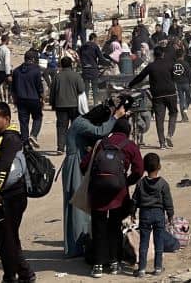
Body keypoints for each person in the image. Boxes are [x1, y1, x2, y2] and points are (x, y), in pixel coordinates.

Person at [62, 101, 126, 258]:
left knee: (82, 204)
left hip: (78, 161)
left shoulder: (81, 121)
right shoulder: (81, 123)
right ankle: (75, 246)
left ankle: (82, 242)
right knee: (76, 204)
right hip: (74, 164)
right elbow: (100, 131)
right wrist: (115, 117)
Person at [82, 118, 143, 278]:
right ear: (128, 132)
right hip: (118, 194)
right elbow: (139, 170)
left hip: (98, 192)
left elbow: (84, 165)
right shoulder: (130, 145)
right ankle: (115, 262)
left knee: (98, 227)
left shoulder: (100, 143)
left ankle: (98, 265)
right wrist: (126, 182)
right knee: (115, 227)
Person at [0, 102, 35, 283]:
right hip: (9, 195)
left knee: (8, 238)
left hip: (11, 196)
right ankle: (18, 274)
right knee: (7, 237)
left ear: (6, 119)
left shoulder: (10, 139)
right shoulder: (3, 137)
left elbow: (3, 167)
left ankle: (17, 275)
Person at [131, 153, 174, 277]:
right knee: (158, 241)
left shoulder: (140, 183)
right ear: (159, 166)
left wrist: (132, 213)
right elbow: (168, 201)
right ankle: (158, 268)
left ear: (144, 167)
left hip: (145, 214)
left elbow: (135, 200)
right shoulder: (163, 184)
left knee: (144, 242)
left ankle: (141, 269)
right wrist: (170, 215)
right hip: (158, 214)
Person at [129, 45, 179, 149]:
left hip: (157, 95)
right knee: (173, 113)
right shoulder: (170, 64)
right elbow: (175, 76)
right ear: (163, 54)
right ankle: (169, 134)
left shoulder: (151, 66)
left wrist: (130, 85)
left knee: (159, 119)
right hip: (170, 93)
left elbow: (140, 77)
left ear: (154, 55)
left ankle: (162, 143)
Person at [51, 56, 87, 154]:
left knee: (61, 127)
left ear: (61, 65)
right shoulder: (76, 76)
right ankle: (74, 146)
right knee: (75, 126)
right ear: (71, 64)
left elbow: (53, 92)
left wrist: (52, 104)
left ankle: (60, 148)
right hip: (74, 105)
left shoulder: (57, 76)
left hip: (60, 105)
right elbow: (81, 89)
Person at [11, 49, 44, 149]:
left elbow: (13, 88)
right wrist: (42, 97)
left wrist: (15, 100)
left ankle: (25, 143)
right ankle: (33, 135)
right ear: (33, 59)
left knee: (23, 122)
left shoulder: (16, 71)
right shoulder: (36, 70)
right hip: (34, 99)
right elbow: (39, 87)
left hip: (21, 100)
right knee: (37, 118)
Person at [79, 33, 104, 104]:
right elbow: (101, 57)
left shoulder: (83, 46)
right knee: (95, 87)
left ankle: (85, 103)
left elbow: (80, 56)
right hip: (93, 69)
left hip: (85, 69)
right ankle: (95, 103)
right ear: (94, 38)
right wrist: (106, 63)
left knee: (86, 88)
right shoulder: (95, 46)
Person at [171, 47, 191, 122]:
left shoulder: (173, 64)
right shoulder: (186, 64)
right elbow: (190, 75)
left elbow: (172, 75)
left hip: (178, 84)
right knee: (188, 99)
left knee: (181, 100)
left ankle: (183, 117)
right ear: (183, 55)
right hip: (186, 83)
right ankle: (185, 111)